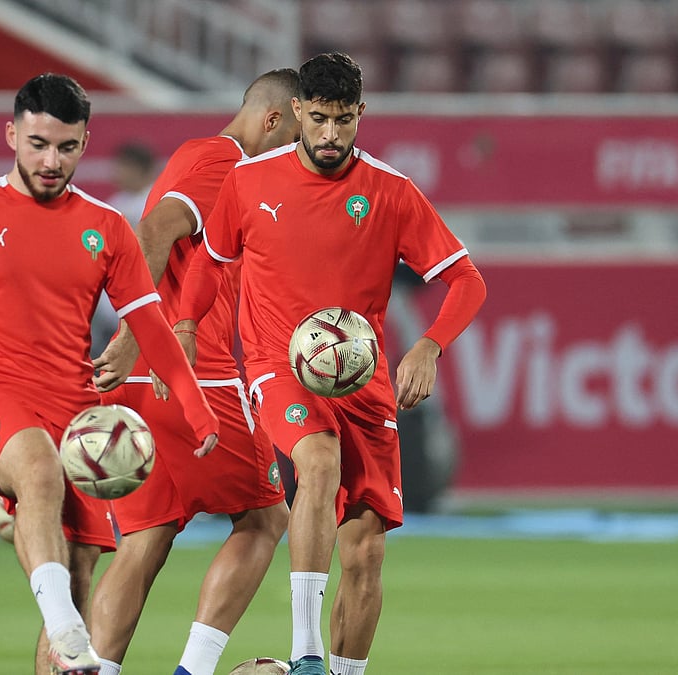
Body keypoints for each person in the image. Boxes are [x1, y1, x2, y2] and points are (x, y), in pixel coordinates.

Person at [0, 73, 220, 675]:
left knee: (77, 570)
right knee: (39, 469)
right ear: (11, 135)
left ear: (85, 143)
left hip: (76, 411)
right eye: (38, 144)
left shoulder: (108, 227)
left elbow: (149, 326)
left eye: (67, 147)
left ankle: (63, 639)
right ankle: (67, 633)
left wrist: (196, 406)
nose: (51, 161)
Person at [175, 53, 487, 675]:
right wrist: (185, 327)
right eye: (318, 118)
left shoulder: (391, 191)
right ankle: (307, 651)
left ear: (360, 113)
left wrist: (428, 345)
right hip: (279, 364)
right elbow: (211, 260)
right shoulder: (249, 181)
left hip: (361, 380)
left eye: (343, 120)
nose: (330, 134)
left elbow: (467, 280)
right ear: (297, 111)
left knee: (366, 552)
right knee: (317, 461)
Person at [87, 68, 303, 675]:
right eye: (295, 135)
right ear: (272, 119)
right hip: (193, 373)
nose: (297, 150)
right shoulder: (222, 163)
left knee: (145, 539)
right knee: (266, 517)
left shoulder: (199, 158)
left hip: (144, 381)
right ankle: (195, 670)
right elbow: (154, 230)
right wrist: (134, 336)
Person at [106, 141, 157, 227]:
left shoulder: (158, 202)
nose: (117, 172)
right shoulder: (116, 201)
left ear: (137, 169)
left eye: (123, 167)